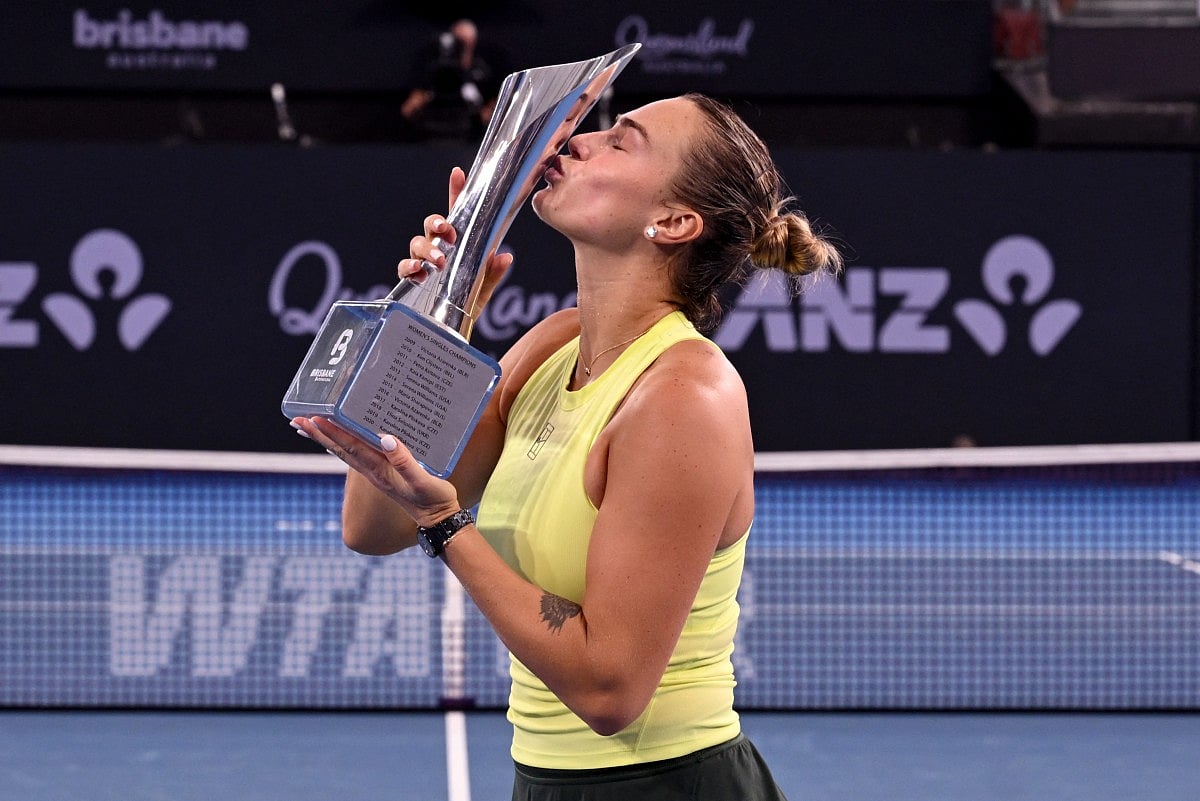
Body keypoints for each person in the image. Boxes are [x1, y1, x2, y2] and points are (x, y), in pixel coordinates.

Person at [291, 92, 841, 800]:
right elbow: (373, 524)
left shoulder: (684, 396)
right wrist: (439, 310)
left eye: (622, 140)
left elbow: (609, 689)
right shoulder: (551, 346)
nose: (581, 140)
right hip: (547, 781)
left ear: (673, 222)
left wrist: (446, 525)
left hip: (665, 786)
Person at [400, 19, 502, 142]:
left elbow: (495, 102)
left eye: (467, 42)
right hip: (433, 132)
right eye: (459, 41)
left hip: (471, 135)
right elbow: (409, 109)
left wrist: (485, 113)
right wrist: (424, 99)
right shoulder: (433, 69)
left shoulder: (482, 69)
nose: (463, 46)